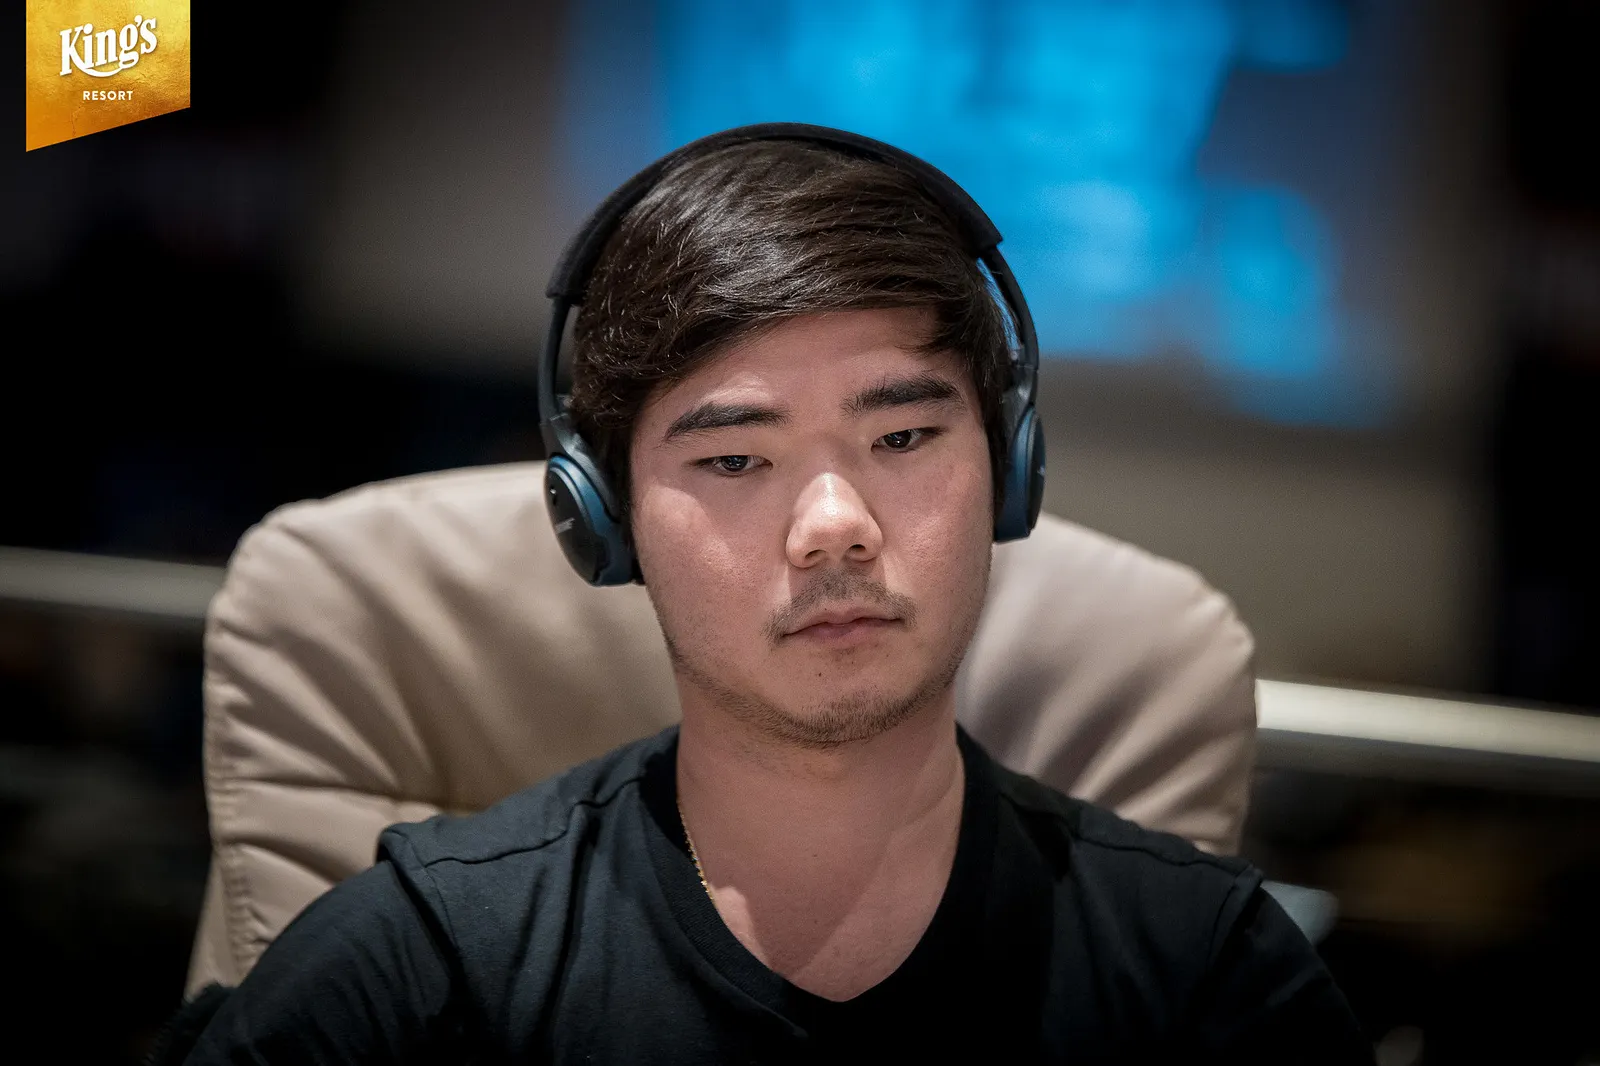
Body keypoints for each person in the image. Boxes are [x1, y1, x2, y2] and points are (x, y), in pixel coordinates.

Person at [175, 126, 1374, 1064]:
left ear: (1008, 475)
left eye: (901, 438)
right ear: (603, 520)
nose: (834, 525)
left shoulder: (1206, 970)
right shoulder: (422, 957)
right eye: (735, 459)